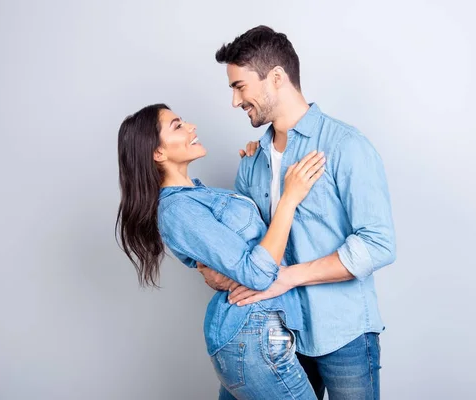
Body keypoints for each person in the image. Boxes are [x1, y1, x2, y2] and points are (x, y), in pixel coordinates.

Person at [198, 26, 397, 399]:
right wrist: (214, 268)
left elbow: (378, 244)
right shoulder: (252, 163)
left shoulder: (345, 146)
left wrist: (288, 277)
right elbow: (249, 246)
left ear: (276, 77)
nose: (235, 100)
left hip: (344, 334)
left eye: (239, 86)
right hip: (275, 333)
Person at [115, 103, 325, 399]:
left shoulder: (199, 195)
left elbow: (253, 244)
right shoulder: (177, 209)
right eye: (177, 126)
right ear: (158, 153)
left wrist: (256, 164)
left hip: (258, 333)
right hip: (253, 337)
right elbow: (258, 273)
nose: (192, 127)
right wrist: (290, 197)